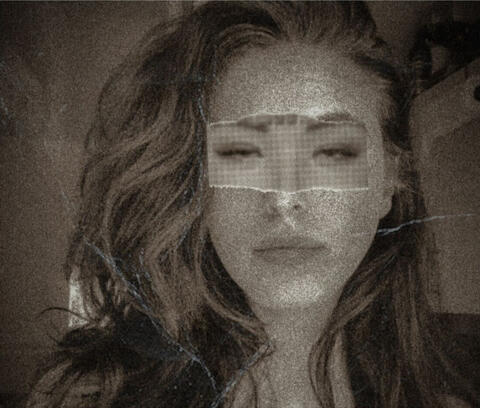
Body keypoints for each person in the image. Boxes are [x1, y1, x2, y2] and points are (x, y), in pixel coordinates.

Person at [26, 2, 479, 408]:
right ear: (197, 184)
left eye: (330, 151)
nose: (283, 199)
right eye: (242, 153)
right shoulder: (86, 399)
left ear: (389, 182)